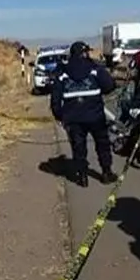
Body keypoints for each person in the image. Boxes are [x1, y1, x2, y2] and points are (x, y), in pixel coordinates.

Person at [50, 41, 118, 187]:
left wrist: (59, 115)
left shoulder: (62, 72)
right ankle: (106, 172)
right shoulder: (94, 69)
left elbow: (55, 97)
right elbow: (109, 86)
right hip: (95, 116)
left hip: (73, 118)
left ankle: (82, 177)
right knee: (102, 144)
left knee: (78, 147)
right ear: (84, 53)